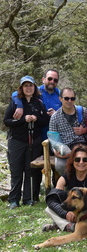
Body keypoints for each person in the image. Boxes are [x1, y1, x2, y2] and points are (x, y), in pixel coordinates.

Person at [42, 144, 87, 232]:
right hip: (70, 212)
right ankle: (68, 225)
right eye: (77, 159)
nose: (81, 162)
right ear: (72, 161)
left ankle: (61, 225)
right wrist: (66, 213)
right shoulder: (66, 176)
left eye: (85, 159)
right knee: (49, 207)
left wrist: (78, 212)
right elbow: (56, 196)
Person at [4, 76, 49, 208]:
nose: (28, 88)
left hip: (33, 141)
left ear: (34, 87)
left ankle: (28, 198)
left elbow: (45, 120)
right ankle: (14, 199)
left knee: (30, 170)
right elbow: (7, 121)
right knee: (16, 170)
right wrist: (23, 119)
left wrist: (36, 118)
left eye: (31, 85)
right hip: (17, 140)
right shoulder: (15, 103)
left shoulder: (38, 102)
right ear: (21, 88)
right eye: (25, 86)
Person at [49, 87, 87, 176]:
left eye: (72, 98)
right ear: (60, 99)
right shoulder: (55, 117)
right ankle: (70, 186)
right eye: (66, 98)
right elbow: (53, 138)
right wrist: (56, 151)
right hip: (65, 148)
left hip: (82, 146)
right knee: (60, 166)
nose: (69, 101)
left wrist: (85, 130)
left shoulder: (83, 111)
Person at [12, 69, 62, 139]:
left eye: (55, 80)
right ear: (43, 79)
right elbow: (16, 93)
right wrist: (20, 106)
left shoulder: (61, 95)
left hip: (57, 135)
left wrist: (56, 114)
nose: (52, 82)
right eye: (50, 79)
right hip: (39, 135)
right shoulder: (36, 91)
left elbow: (68, 111)